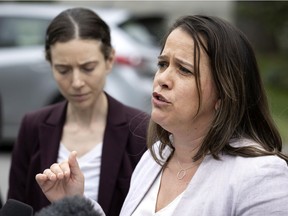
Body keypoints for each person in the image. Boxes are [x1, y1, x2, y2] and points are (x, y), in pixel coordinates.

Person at [35, 15, 288, 215]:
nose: (163, 79)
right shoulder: (154, 158)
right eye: (163, 64)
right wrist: (77, 204)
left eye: (184, 70)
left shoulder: (261, 175)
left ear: (224, 93)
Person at [7, 7, 149, 216]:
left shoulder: (141, 129)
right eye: (63, 70)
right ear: (50, 64)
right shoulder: (33, 126)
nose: (76, 82)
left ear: (109, 60)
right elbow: (17, 205)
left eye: (88, 68)